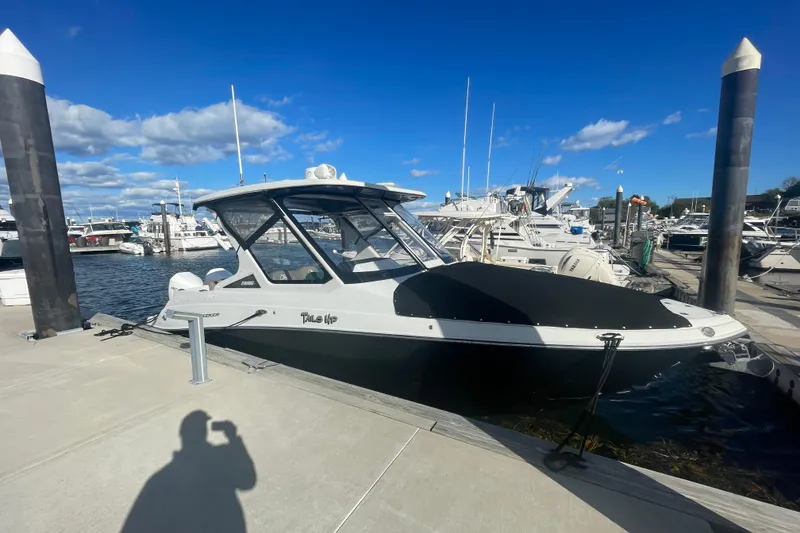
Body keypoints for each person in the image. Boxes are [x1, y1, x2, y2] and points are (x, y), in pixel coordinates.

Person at [121, 410, 256, 533]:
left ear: (182, 435)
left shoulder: (160, 480)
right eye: (201, 429)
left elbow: (134, 526)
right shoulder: (220, 462)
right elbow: (248, 480)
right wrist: (233, 439)